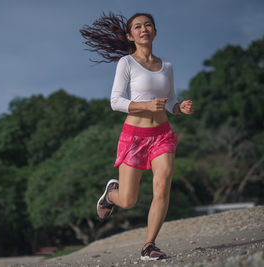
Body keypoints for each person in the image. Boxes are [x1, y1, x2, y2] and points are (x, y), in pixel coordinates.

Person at [80, 12, 194, 260]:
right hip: (134, 137)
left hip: (162, 135)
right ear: (131, 35)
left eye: (148, 25)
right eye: (138, 27)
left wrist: (179, 107)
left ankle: (149, 245)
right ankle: (111, 193)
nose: (144, 29)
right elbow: (115, 102)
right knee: (129, 200)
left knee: (163, 187)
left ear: (155, 32)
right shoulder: (126, 63)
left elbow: (170, 99)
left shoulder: (167, 66)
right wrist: (146, 106)